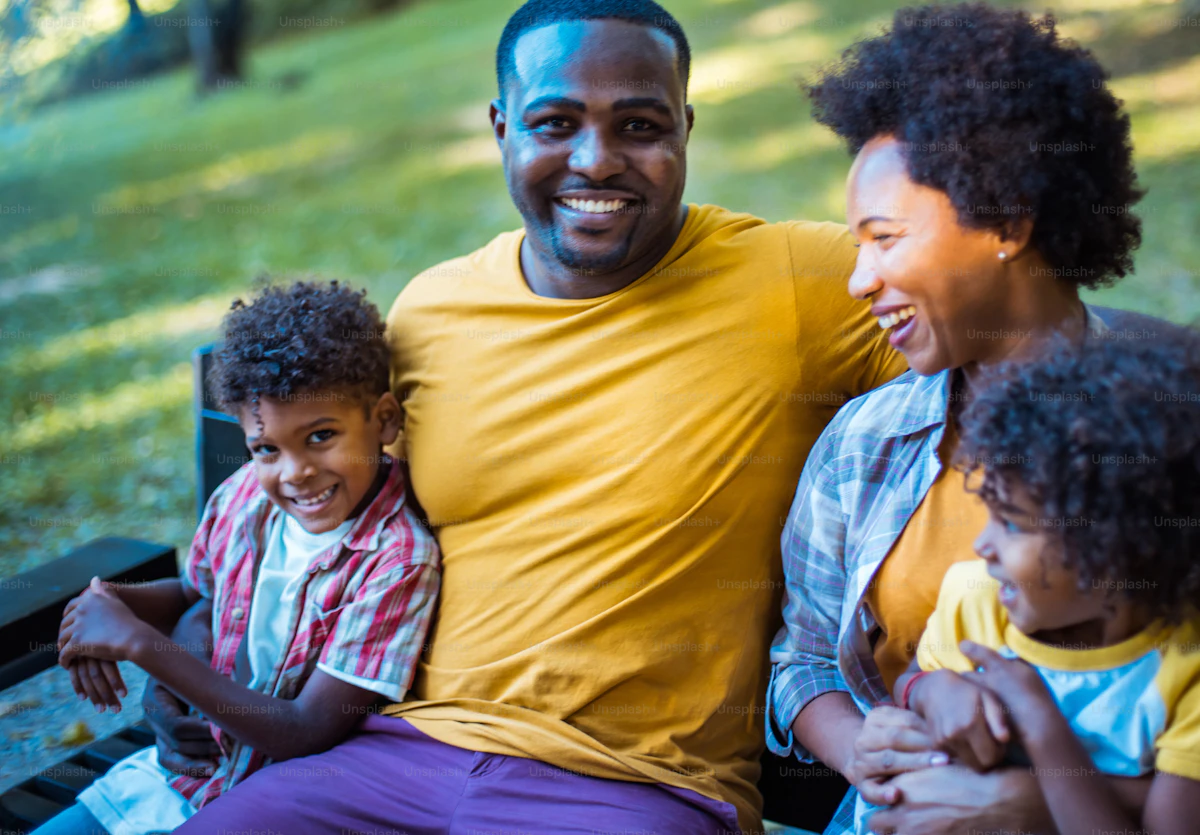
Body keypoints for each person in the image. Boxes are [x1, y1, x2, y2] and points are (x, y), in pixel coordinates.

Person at [171, 1, 905, 832]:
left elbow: (1030, 338)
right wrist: (193, 654)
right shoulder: (433, 313)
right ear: (500, 127)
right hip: (392, 754)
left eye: (639, 124)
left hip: (634, 785)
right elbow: (323, 527)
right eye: (555, 123)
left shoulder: (800, 282)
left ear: (686, 128)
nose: (596, 160)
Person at [765, 4, 1179, 834]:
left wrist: (1029, 803)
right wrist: (862, 745)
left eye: (884, 239)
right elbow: (801, 660)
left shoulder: (1168, 431)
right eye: (857, 245)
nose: (859, 279)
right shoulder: (863, 443)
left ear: (1008, 220)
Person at [40, 281, 441, 835]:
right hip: (182, 774)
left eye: (322, 436)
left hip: (281, 800)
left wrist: (140, 646)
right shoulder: (244, 498)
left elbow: (305, 731)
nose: (294, 472)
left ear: (386, 420)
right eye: (266, 449)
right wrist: (111, 611)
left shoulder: (396, 562)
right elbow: (199, 599)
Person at [891, 335, 1200, 835]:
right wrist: (929, 690)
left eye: (1012, 523)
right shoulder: (975, 601)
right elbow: (911, 681)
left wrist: (1040, 724)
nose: (982, 545)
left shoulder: (1185, 669)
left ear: (1120, 552)